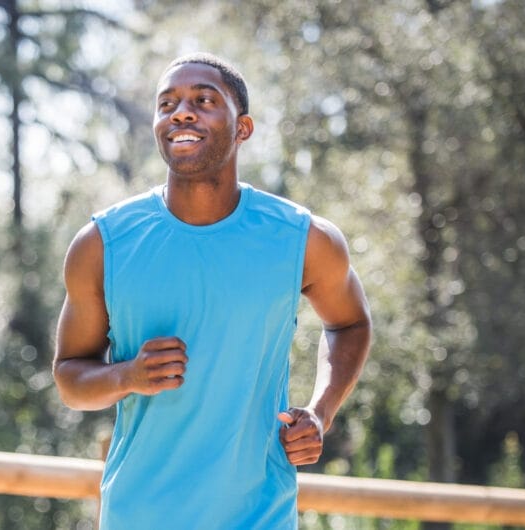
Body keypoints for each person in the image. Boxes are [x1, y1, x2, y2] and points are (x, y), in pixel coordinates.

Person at [52, 53, 372, 529]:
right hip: (140, 515)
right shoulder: (103, 244)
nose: (181, 112)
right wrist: (129, 376)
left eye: (203, 100)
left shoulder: (303, 238)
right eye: (167, 104)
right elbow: (68, 377)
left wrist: (320, 413)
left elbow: (350, 323)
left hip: (257, 515)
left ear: (242, 129)